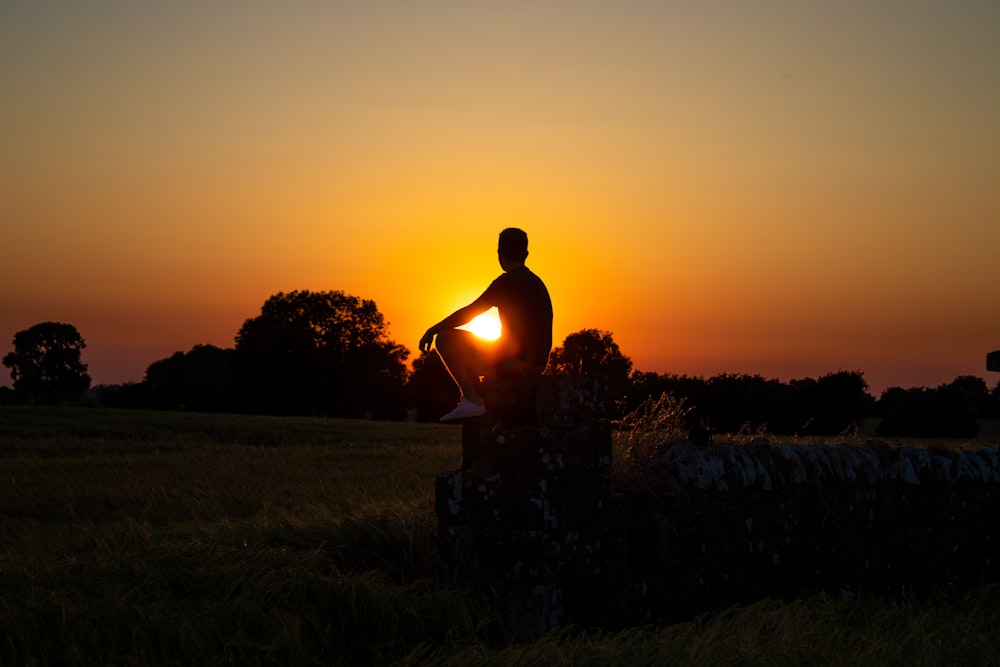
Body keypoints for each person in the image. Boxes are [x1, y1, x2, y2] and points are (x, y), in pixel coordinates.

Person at [420, 228, 553, 422]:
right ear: (526, 254)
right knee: (473, 352)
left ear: (500, 254)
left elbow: (469, 313)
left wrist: (433, 329)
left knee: (446, 339)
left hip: (516, 362)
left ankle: (473, 401)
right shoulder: (536, 282)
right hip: (537, 363)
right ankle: (475, 399)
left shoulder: (507, 282)